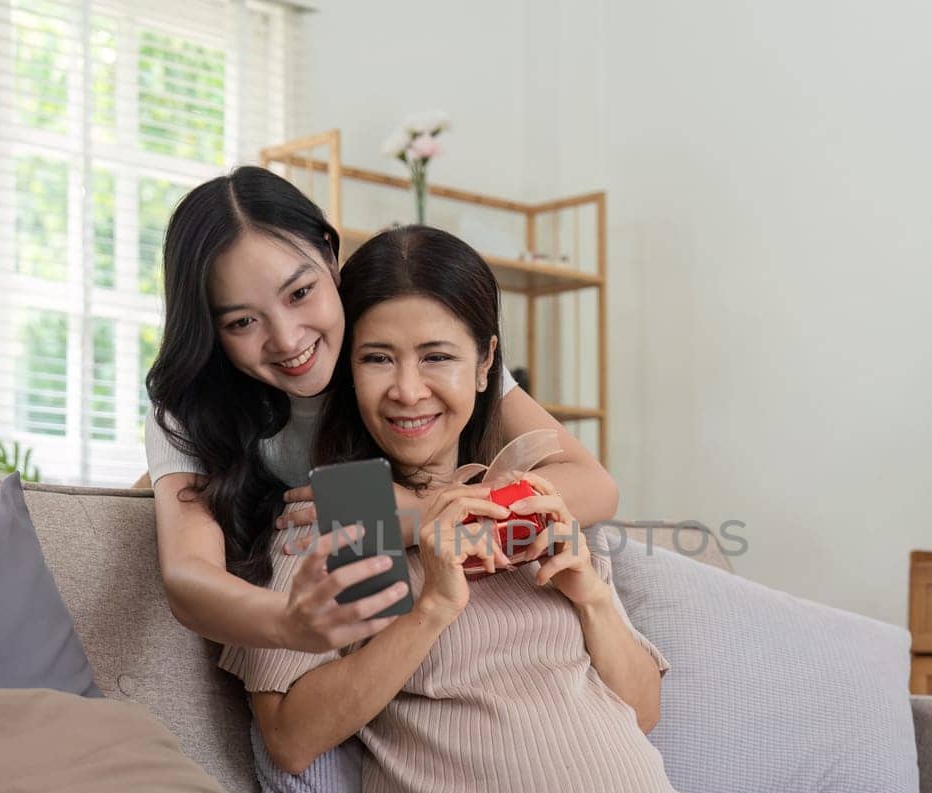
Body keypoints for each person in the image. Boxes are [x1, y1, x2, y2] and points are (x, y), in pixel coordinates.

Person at [225, 226, 908, 793]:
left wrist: (591, 597)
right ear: (345, 371)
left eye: (437, 356)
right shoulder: (337, 516)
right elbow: (292, 735)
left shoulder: (524, 498)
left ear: (486, 367)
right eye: (377, 359)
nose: (408, 390)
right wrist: (433, 607)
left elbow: (643, 710)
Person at [143, 166, 618, 653]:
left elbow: (594, 486)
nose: (287, 340)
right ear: (209, 326)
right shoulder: (193, 406)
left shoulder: (393, 339)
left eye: (300, 293)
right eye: (243, 322)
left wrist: (418, 511)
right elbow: (187, 573)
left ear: (330, 253)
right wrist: (290, 623)